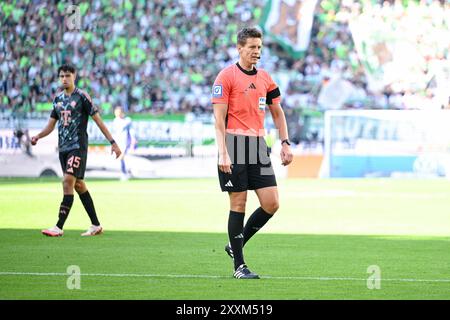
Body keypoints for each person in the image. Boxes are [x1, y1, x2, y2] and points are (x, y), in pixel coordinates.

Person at [212, 27, 293, 279]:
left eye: (259, 47)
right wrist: (222, 152)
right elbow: (219, 119)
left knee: (272, 203)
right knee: (239, 203)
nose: (256, 52)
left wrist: (285, 142)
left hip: (258, 146)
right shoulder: (226, 77)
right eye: (252, 47)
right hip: (234, 145)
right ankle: (239, 266)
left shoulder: (266, 78)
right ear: (239, 48)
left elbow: (277, 112)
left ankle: (234, 245)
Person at [31, 64, 121, 237]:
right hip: (63, 149)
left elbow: (99, 121)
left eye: (67, 75)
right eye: (61, 76)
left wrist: (113, 142)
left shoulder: (82, 97)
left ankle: (58, 227)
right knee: (78, 185)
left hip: (77, 147)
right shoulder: (57, 100)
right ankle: (95, 225)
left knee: (67, 182)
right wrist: (38, 136)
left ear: (74, 76)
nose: (64, 79)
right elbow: (50, 126)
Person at [112, 106, 136, 181]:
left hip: (125, 142)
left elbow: (132, 131)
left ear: (121, 112)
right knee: (121, 158)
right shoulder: (115, 121)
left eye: (117, 112)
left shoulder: (127, 120)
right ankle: (127, 172)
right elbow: (114, 133)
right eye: (115, 112)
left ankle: (124, 173)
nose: (116, 113)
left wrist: (133, 139)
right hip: (118, 143)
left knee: (121, 157)